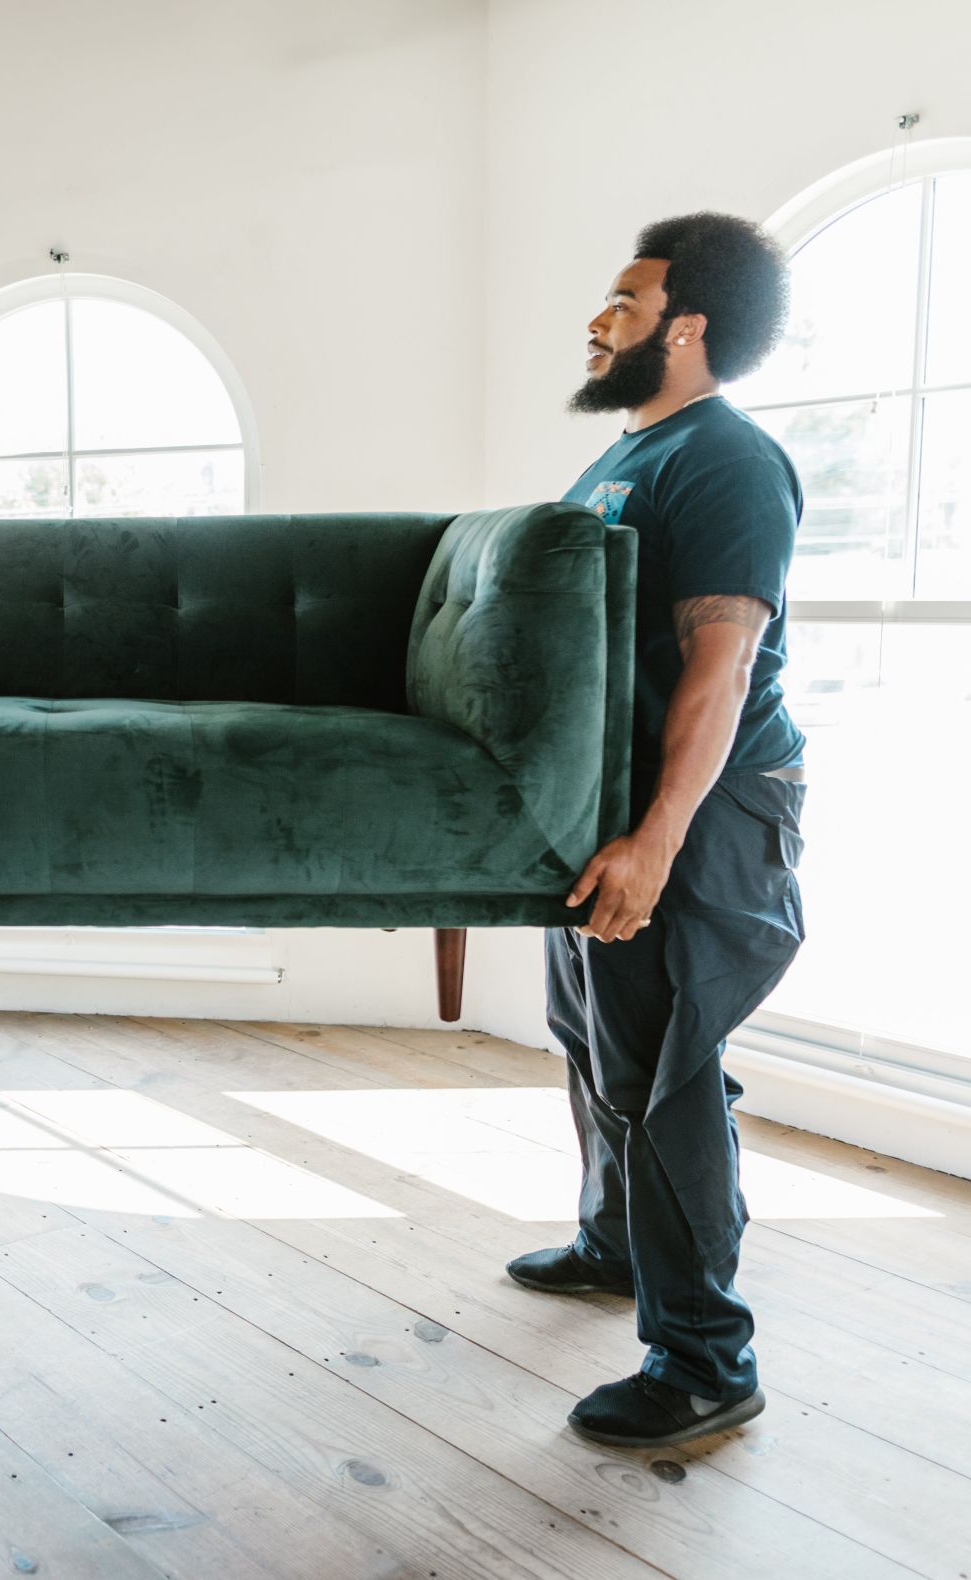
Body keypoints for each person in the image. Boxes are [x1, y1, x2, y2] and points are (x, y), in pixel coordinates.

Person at [506, 212, 809, 1449]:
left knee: (667, 1065)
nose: (598, 318)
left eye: (623, 301)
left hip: (701, 806)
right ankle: (616, 1239)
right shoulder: (629, 454)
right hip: (611, 800)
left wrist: (657, 840)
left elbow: (720, 667)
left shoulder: (726, 460)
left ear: (687, 324)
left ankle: (703, 1359)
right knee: (592, 1037)